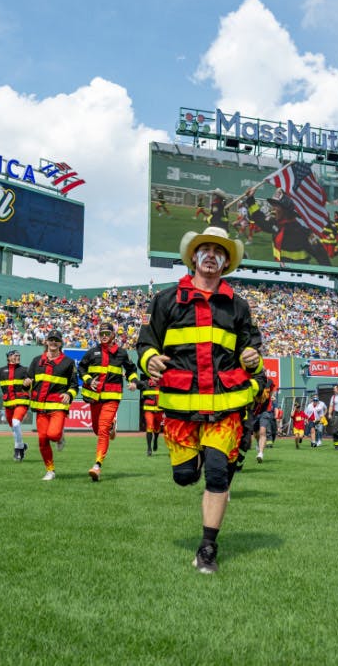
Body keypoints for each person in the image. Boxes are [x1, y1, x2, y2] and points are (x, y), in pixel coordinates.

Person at [137, 225, 263, 573]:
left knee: (218, 475)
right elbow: (146, 343)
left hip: (224, 405)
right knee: (184, 477)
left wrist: (252, 356)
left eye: (219, 252)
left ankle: (208, 547)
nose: (211, 255)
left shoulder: (238, 305)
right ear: (193, 256)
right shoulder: (165, 300)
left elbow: (252, 346)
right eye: (205, 249)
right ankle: (212, 463)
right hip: (181, 407)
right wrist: (151, 359)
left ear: (226, 263)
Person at [79, 321, 139, 481]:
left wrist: (133, 381)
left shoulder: (121, 353)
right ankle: (112, 426)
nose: (104, 336)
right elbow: (81, 369)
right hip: (94, 397)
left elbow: (131, 369)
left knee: (103, 430)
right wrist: (88, 379)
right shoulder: (91, 353)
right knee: (97, 430)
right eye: (101, 334)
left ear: (113, 335)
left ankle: (97, 465)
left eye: (107, 333)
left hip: (112, 397)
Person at [25, 330, 77, 480]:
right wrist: (26, 383)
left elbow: (74, 385)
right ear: (46, 342)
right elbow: (28, 380)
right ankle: (50, 470)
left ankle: (60, 437)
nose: (53, 343)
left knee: (53, 434)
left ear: (61, 343)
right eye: (51, 340)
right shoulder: (36, 361)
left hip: (57, 405)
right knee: (42, 440)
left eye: (56, 340)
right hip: (40, 406)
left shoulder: (68, 362)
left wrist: (68, 394)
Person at [141, 376, 162, 456]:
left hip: (159, 410)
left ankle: (155, 440)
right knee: (150, 426)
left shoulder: (162, 383)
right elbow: (138, 384)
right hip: (149, 409)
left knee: (157, 429)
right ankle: (149, 448)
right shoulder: (146, 383)